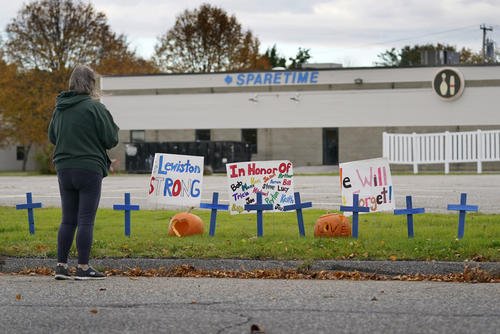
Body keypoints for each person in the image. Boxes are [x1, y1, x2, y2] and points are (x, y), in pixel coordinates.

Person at [48, 65, 119, 280]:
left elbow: (53, 137)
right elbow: (111, 139)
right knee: (85, 219)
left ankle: (61, 266)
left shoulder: (59, 108)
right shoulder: (95, 108)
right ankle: (83, 267)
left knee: (67, 219)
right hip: (88, 168)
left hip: (63, 168)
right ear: (91, 84)